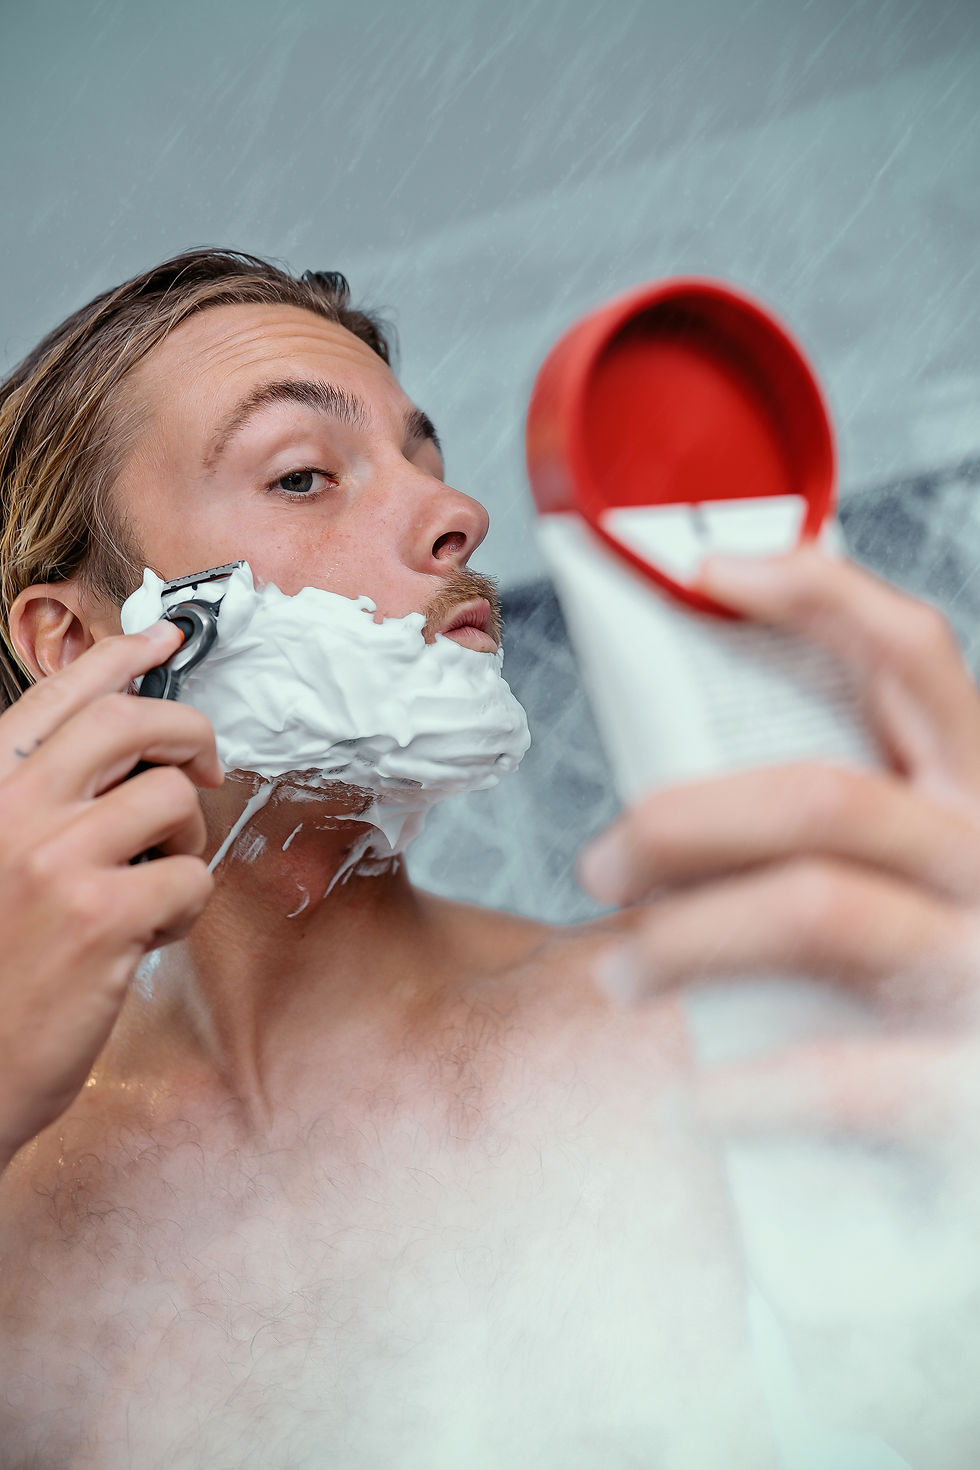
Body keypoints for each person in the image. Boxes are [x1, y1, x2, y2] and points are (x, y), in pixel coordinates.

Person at [0, 249, 976, 1468]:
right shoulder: (17, 1185)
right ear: (77, 640)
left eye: (427, 460)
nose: (456, 516)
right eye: (303, 476)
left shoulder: (685, 1031)